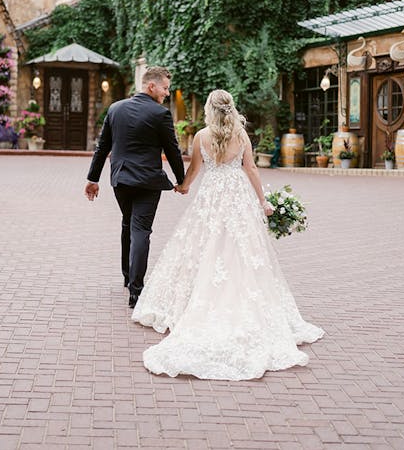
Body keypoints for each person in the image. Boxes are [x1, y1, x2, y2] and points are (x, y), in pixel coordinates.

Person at [132, 89, 323, 380]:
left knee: (203, 244)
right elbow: (251, 170)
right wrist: (263, 202)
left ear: (209, 109)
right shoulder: (241, 135)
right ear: (231, 108)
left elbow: (195, 169)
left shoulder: (200, 137)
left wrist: (183, 186)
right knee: (241, 247)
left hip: (211, 195)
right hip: (237, 196)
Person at [85, 66, 186, 309]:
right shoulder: (160, 114)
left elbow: (102, 147)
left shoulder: (115, 108)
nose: (166, 93)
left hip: (120, 180)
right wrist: (181, 180)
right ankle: (136, 292)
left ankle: (127, 276)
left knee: (128, 223)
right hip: (148, 182)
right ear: (151, 86)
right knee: (141, 230)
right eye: (164, 88)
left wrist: (93, 178)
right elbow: (172, 149)